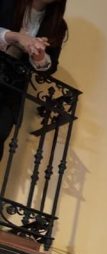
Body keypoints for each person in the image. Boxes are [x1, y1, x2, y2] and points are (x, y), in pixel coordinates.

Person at [0, 0, 68, 157]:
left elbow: (51, 66)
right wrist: (16, 37)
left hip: (12, 91)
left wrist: (39, 56)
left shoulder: (58, 25)